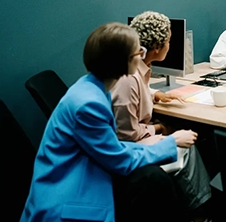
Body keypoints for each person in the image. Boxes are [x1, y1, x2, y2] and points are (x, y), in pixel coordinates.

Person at [20, 22, 198, 222]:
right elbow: (120, 160)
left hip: (80, 170)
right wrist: (171, 142)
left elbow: (112, 147)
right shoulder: (89, 104)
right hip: (66, 200)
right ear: (123, 62)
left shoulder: (92, 87)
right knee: (154, 180)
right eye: (138, 52)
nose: (142, 55)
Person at [111, 11, 212, 222]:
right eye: (168, 41)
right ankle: (200, 212)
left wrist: (156, 94)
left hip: (134, 140)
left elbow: (138, 93)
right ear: (156, 47)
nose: (170, 45)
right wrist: (159, 129)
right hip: (127, 150)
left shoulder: (136, 66)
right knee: (188, 145)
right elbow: (126, 134)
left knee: (183, 136)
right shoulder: (128, 77)